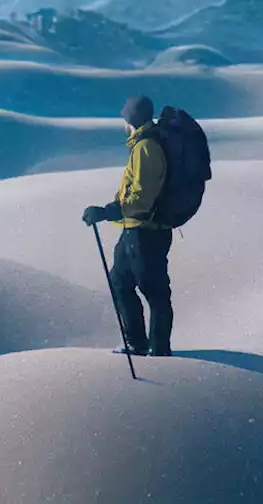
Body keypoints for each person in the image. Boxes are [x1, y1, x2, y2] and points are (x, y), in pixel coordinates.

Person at [83, 95, 175, 357]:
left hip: (146, 232)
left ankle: (159, 351)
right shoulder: (142, 145)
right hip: (133, 230)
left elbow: (142, 198)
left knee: (155, 293)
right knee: (120, 283)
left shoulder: (147, 147)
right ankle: (137, 343)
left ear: (132, 120)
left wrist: (106, 212)